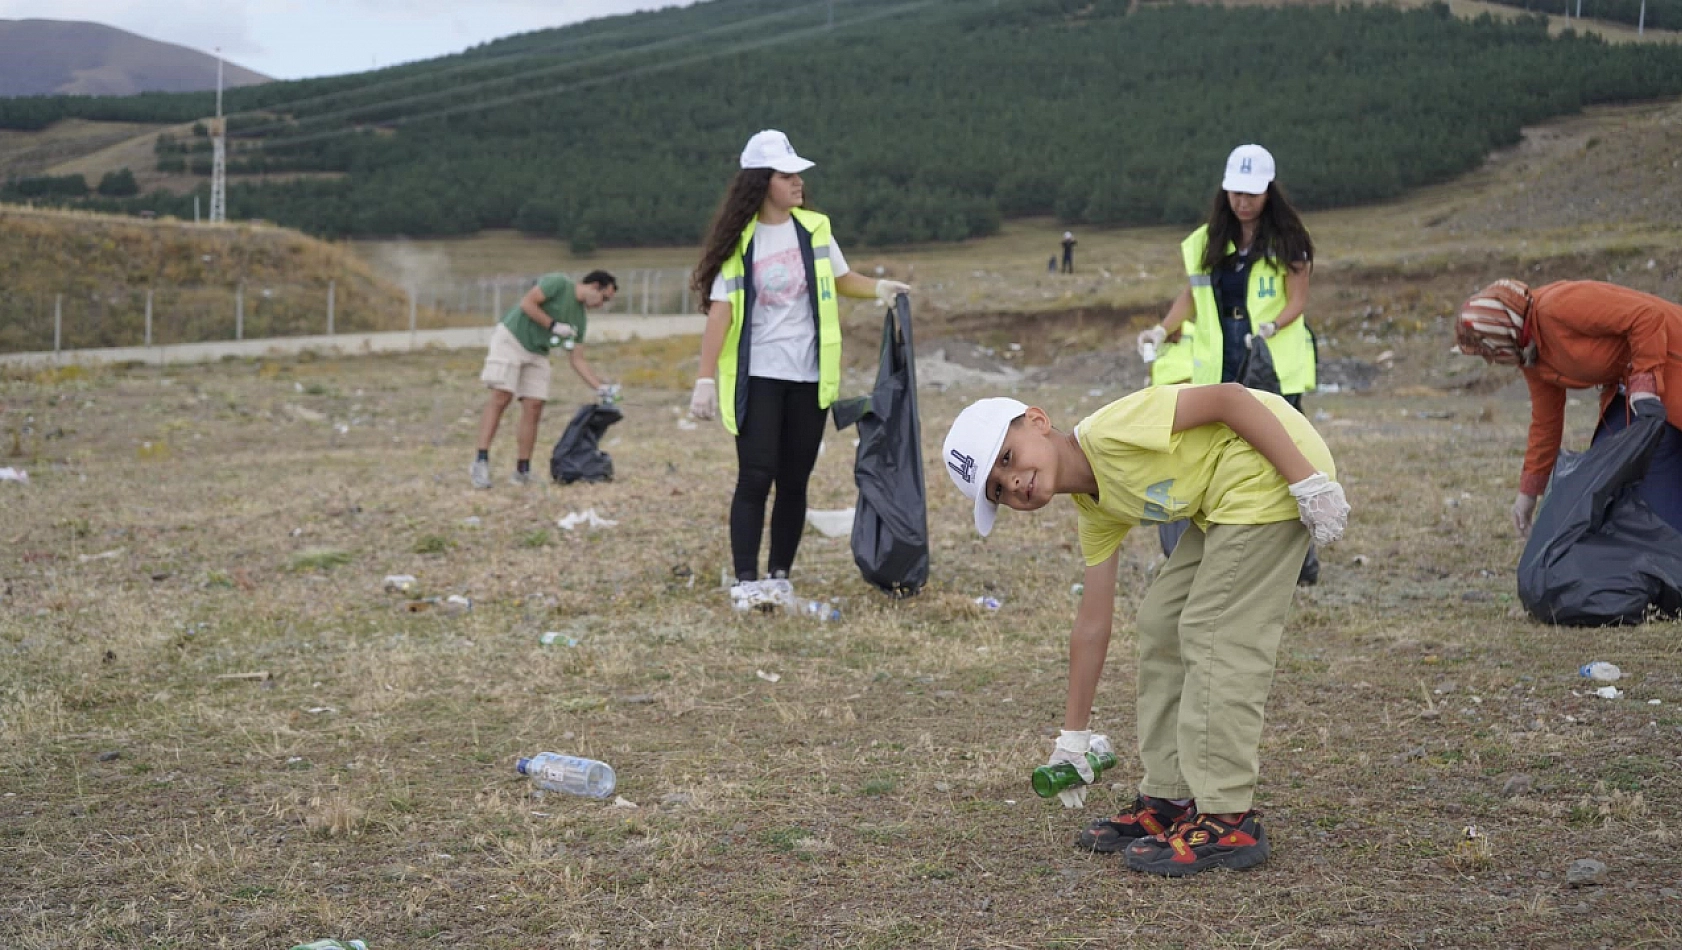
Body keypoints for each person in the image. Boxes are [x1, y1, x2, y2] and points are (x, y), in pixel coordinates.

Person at [941, 382, 1348, 876]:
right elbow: (1091, 625)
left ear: (1038, 421)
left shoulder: (1110, 433)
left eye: (1006, 458)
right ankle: (1169, 797)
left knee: (1213, 630)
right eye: (998, 491)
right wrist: (1074, 738)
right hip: (1225, 496)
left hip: (1273, 467)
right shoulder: (1095, 508)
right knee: (1162, 621)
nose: (1013, 483)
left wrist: (1306, 482)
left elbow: (1230, 399)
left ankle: (1228, 817)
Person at [688, 130, 908, 609]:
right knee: (755, 475)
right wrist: (705, 378)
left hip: (809, 377)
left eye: (798, 175)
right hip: (760, 376)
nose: (798, 183)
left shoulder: (814, 229)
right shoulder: (741, 242)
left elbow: (840, 278)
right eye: (787, 176)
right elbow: (721, 313)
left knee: (795, 479)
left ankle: (779, 577)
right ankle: (746, 582)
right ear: (762, 182)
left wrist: (879, 289)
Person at [1454, 278, 1682, 535]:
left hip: (1669, 363)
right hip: (1634, 393)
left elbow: (1646, 316)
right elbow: (1545, 421)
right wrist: (1528, 492)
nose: (1491, 361)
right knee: (1606, 474)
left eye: (1489, 350)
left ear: (1501, 330)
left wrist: (1644, 382)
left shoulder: (1558, 306)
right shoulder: (1531, 355)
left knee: (1657, 478)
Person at [1136, 144, 1316, 411]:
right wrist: (1162, 330)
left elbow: (1297, 300)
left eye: (1252, 194)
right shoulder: (1208, 241)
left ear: (1268, 192)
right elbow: (1195, 294)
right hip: (1221, 352)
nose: (1243, 203)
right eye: (1236, 194)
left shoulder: (1288, 241)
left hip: (1267, 355)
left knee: (1271, 433)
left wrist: (1271, 327)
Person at [471, 270, 617, 489]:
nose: (602, 305)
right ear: (594, 286)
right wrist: (553, 325)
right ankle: (480, 462)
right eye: (604, 298)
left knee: (534, 405)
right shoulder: (559, 283)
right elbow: (527, 304)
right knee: (502, 396)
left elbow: (577, 359)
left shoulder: (579, 319)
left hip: (537, 351)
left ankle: (522, 470)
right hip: (512, 339)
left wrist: (600, 387)